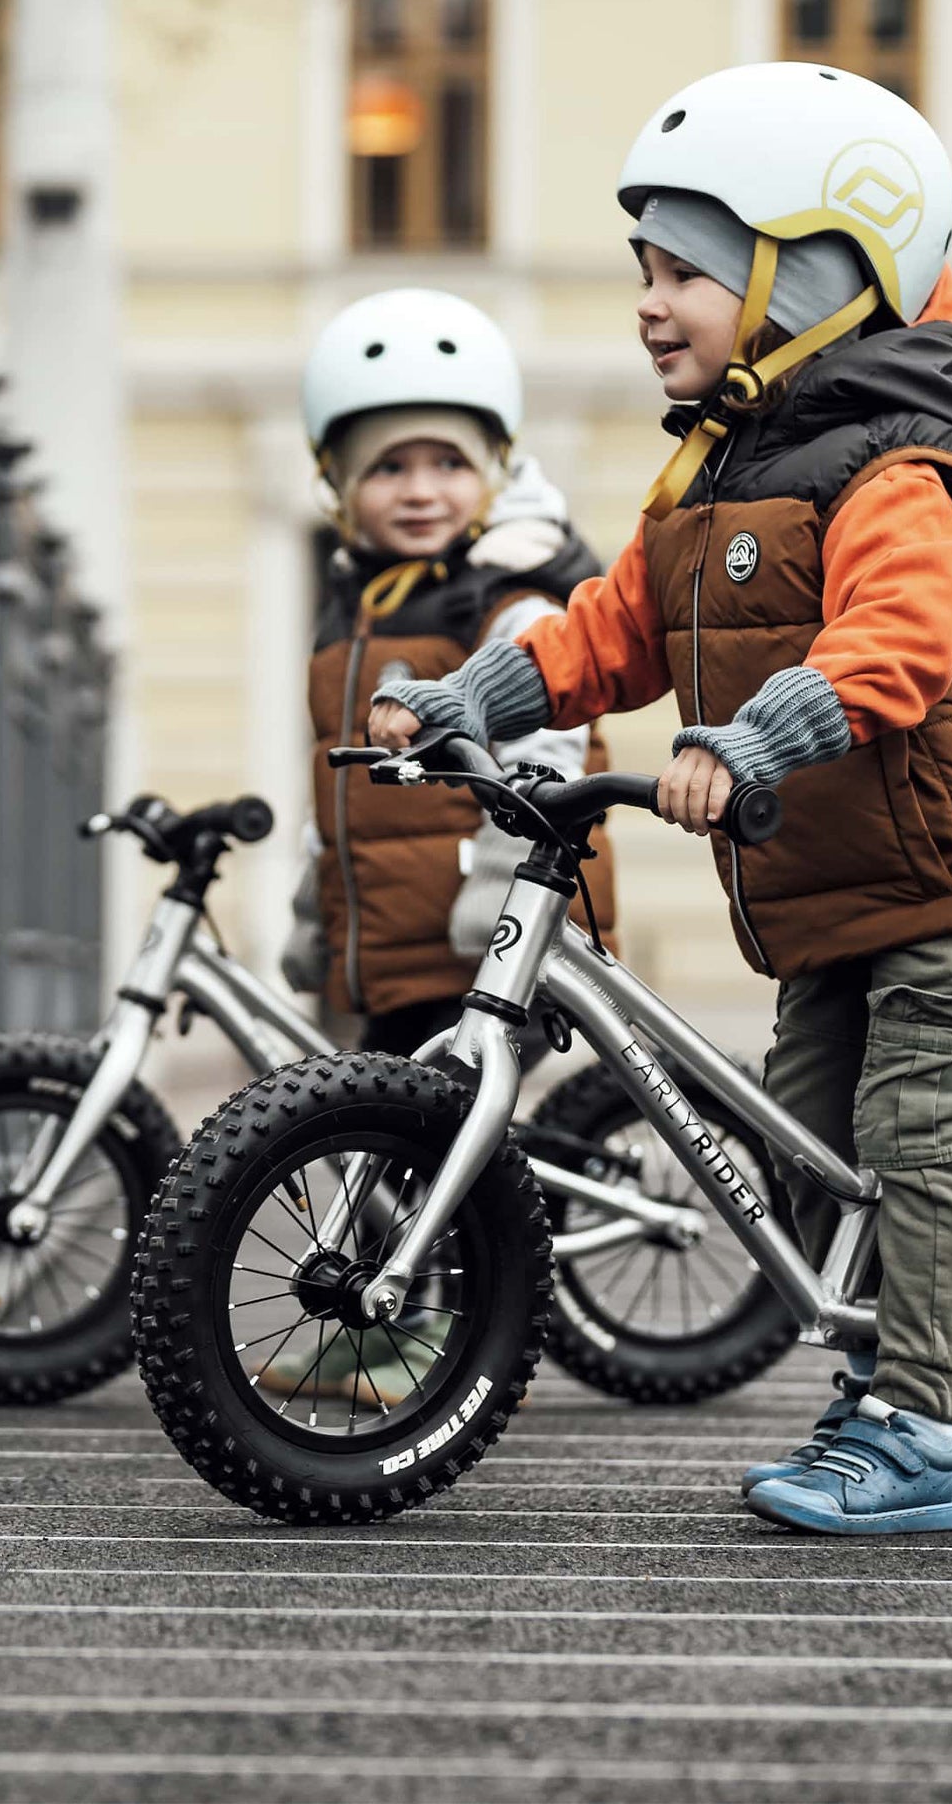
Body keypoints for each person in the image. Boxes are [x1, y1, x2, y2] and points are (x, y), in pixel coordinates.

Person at [365, 63, 952, 1533]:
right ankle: (888, 1372)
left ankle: (918, 1435)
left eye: (685, 270)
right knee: (806, 1143)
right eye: (641, 267)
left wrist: (753, 741)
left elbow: (890, 647)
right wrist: (470, 703)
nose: (648, 302)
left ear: (820, 275)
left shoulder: (909, 459)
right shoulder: (717, 471)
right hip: (840, 890)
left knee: (916, 1136)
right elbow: (609, 631)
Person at [271, 286, 618, 1406]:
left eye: (446, 464)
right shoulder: (356, 599)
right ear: (338, 486)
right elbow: (347, 790)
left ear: (494, 468)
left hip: (473, 930)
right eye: (387, 468)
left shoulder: (509, 593)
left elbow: (549, 742)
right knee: (366, 1144)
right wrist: (310, 909)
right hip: (385, 932)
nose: (419, 490)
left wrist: (491, 886)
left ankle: (431, 1334)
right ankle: (371, 1325)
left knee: (436, 1149)